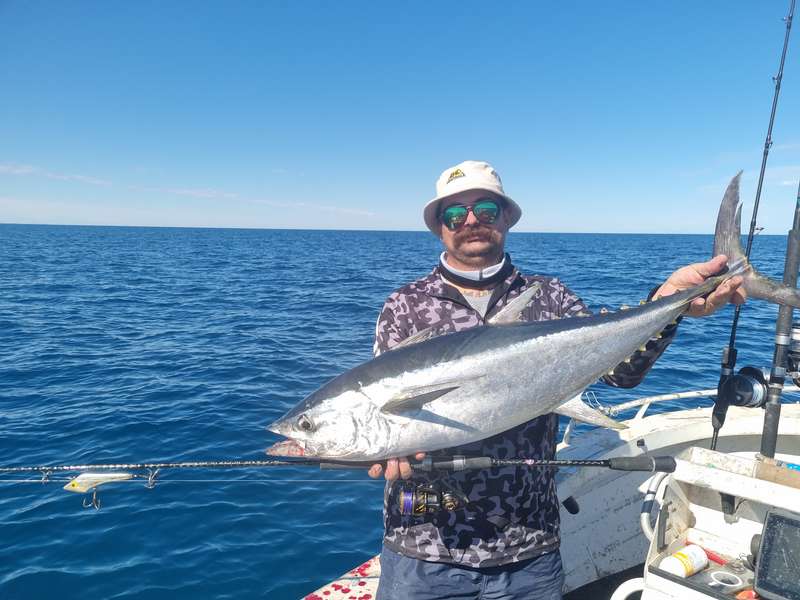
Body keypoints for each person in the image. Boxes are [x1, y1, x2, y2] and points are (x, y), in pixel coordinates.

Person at [367, 160, 746, 600]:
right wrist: (388, 447)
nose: (471, 221)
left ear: (506, 218)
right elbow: (386, 413)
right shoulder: (405, 307)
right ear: (439, 227)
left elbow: (621, 374)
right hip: (423, 547)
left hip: (528, 545)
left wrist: (668, 302)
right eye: (455, 214)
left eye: (485, 210)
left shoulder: (550, 298)